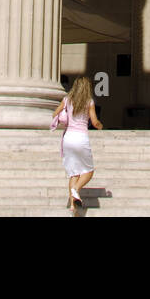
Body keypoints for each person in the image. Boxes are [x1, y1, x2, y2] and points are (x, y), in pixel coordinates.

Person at [51, 75, 103, 210]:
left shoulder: (67, 99)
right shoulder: (89, 102)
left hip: (68, 138)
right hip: (81, 138)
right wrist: (100, 126)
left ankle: (73, 206)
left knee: (74, 173)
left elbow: (54, 114)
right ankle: (76, 189)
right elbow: (95, 121)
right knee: (88, 171)